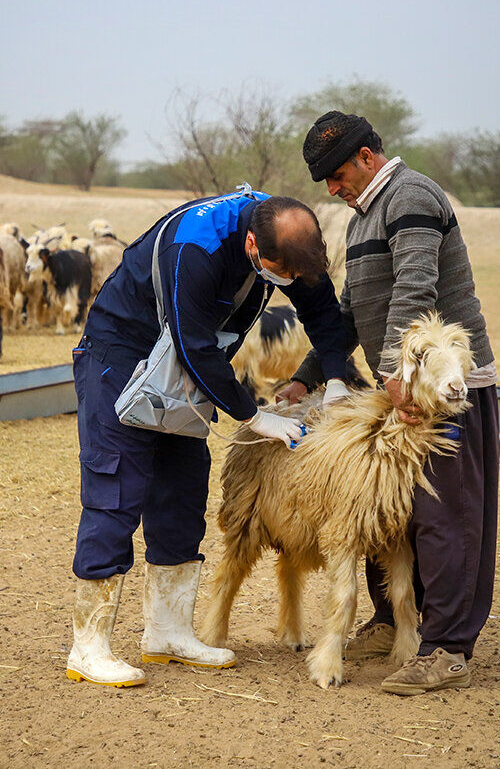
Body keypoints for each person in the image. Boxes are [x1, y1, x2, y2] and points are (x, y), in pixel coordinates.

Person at [67, 187, 354, 688]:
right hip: (122, 355)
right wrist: (255, 416)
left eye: (295, 275)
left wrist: (332, 381)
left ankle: (168, 631)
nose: (287, 283)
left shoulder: (289, 242)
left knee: (182, 487)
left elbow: (325, 315)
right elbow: (193, 343)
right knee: (117, 488)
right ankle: (88, 647)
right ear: (250, 246)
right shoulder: (195, 246)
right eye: (279, 273)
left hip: (183, 365)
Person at [279, 111, 499, 696]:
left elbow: (416, 289)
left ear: (368, 158)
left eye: (336, 173)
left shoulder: (411, 198)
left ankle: (447, 646)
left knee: (443, 517)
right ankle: (391, 622)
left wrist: (394, 374)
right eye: (323, 178)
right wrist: (305, 377)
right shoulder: (365, 217)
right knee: (382, 512)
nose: (331, 188)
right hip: (399, 390)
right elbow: (352, 311)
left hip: (441, 392)